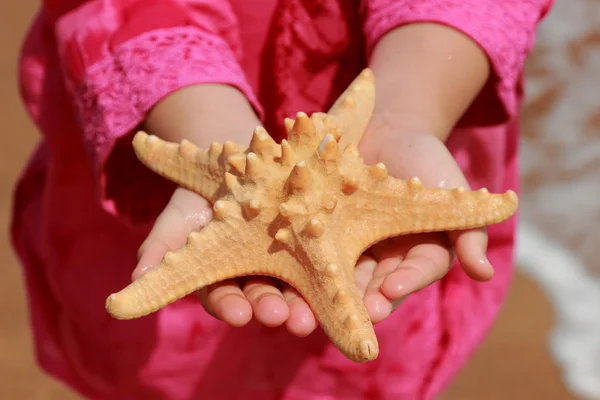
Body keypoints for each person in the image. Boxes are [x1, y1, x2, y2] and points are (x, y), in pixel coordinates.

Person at [11, 0, 553, 399]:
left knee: (365, 367)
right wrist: (199, 119)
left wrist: (411, 105)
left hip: (420, 80)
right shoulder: (259, 161)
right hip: (178, 115)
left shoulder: (344, 143)